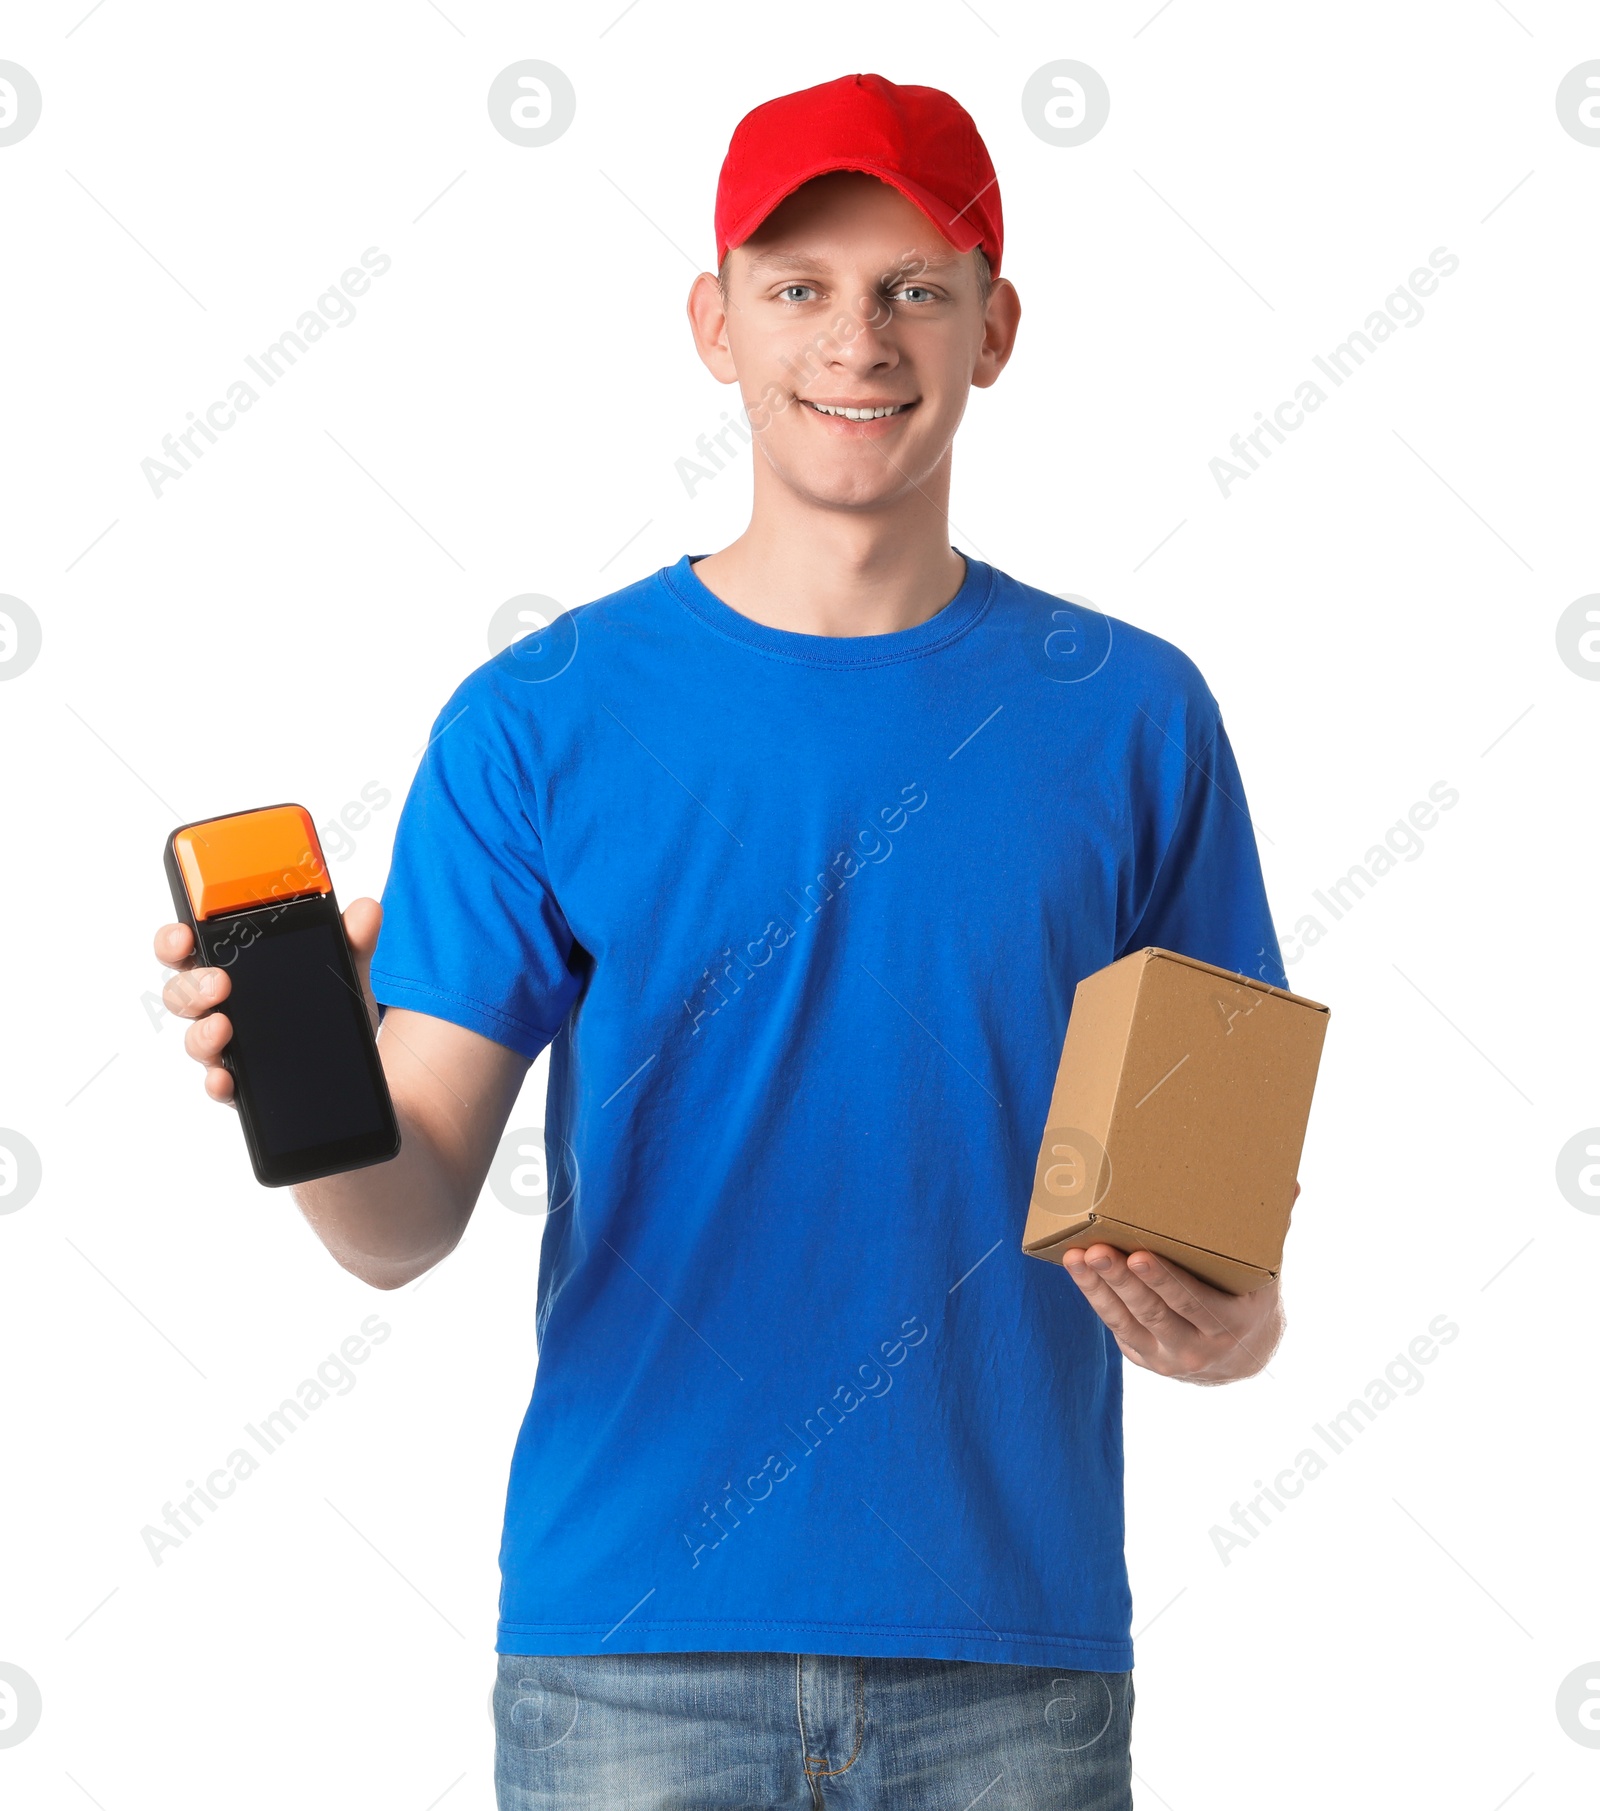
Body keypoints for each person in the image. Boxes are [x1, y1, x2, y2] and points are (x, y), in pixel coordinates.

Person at [156, 72, 1292, 1811]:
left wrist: (1236, 1328)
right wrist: (292, 1094)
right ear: (715, 325)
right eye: (799, 287)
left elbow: (1212, 1236)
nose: (860, 337)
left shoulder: (1131, 719)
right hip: (630, 1661)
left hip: (1012, 1659)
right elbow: (402, 1225)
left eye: (917, 285)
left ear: (995, 329)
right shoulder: (538, 723)